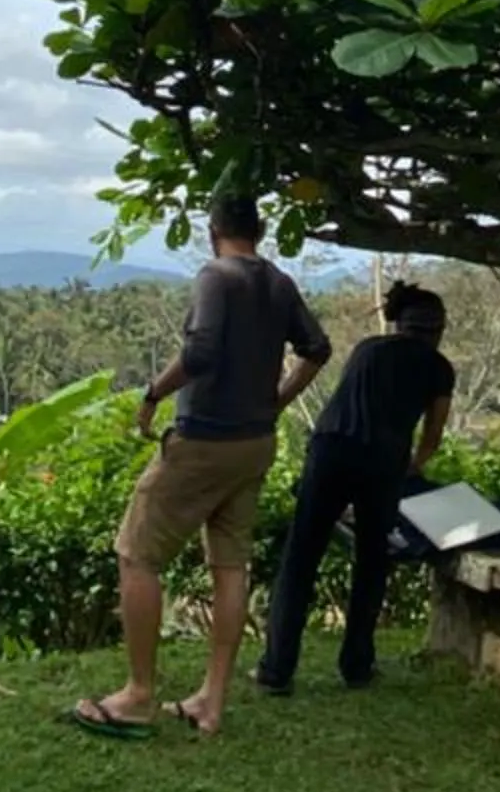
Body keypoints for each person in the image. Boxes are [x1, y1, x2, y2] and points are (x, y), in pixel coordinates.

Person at [70, 191, 331, 740]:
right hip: (254, 444)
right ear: (259, 232)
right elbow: (317, 348)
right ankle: (211, 702)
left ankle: (139, 696)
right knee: (229, 565)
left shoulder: (217, 276)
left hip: (204, 442)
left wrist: (151, 394)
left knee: (137, 555)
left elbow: (202, 351)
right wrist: (276, 401)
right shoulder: (278, 283)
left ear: (213, 230)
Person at [255, 279, 455, 695]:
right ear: (438, 329)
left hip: (330, 451)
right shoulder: (439, 368)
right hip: (383, 463)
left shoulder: (368, 348)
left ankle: (276, 671)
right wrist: (409, 469)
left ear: (397, 323)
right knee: (371, 563)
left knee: (300, 560)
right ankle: (357, 666)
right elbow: (431, 436)